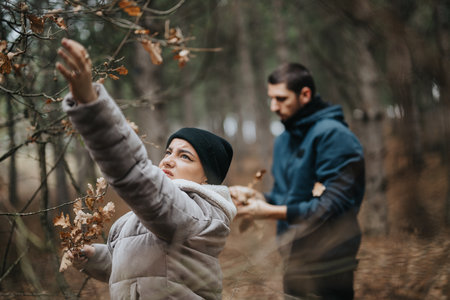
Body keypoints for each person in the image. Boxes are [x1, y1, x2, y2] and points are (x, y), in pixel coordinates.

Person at [56, 38, 236, 299]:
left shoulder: (197, 216)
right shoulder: (141, 219)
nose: (168, 160)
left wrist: (92, 105)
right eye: (168, 152)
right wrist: (97, 256)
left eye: (185, 156)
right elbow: (138, 269)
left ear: (207, 176)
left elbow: (135, 175)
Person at [230, 63, 365, 299]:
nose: (273, 106)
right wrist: (258, 198)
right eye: (271, 98)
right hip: (293, 256)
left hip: (330, 261)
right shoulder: (283, 140)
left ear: (305, 94)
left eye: (281, 99)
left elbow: (331, 207)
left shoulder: (333, 135)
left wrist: (269, 212)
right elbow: (287, 197)